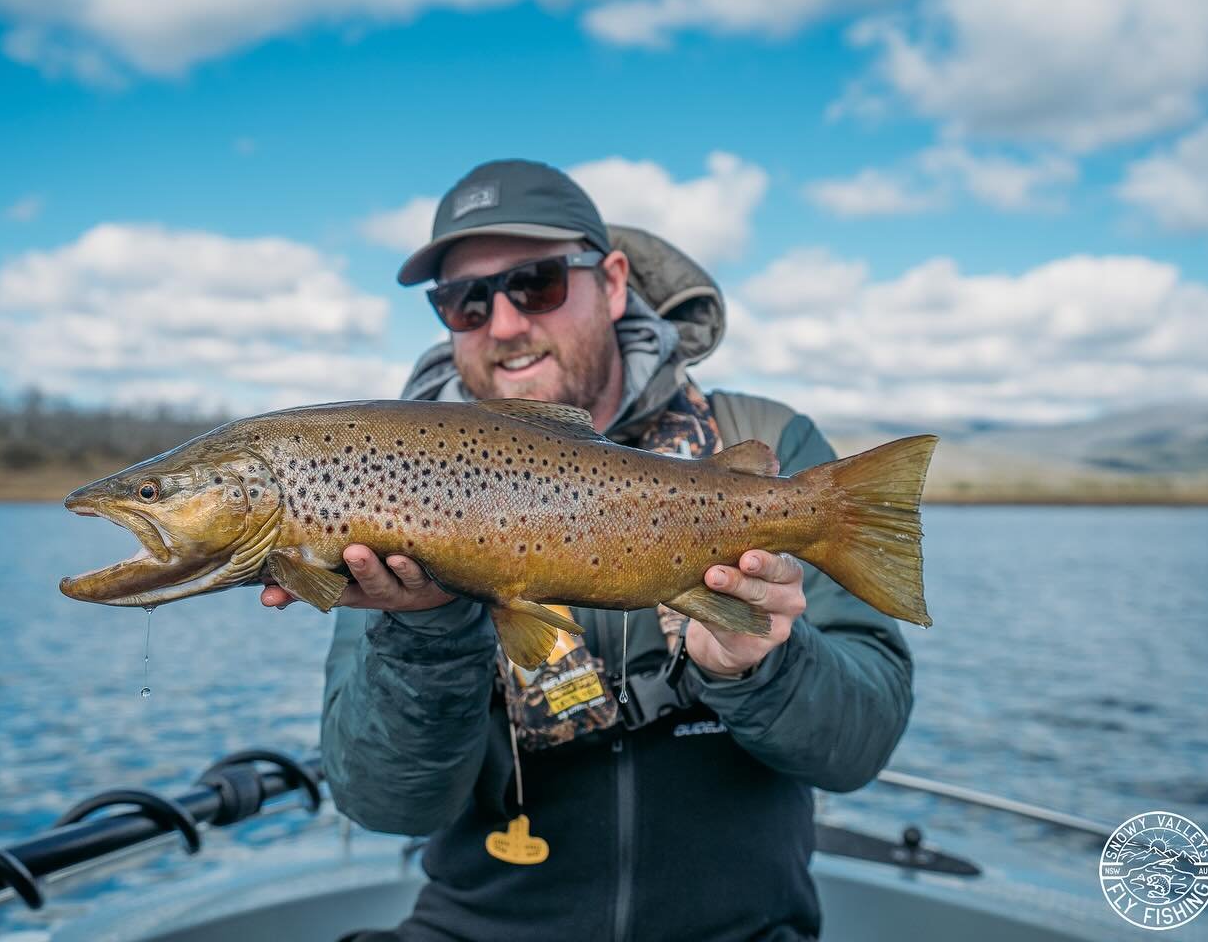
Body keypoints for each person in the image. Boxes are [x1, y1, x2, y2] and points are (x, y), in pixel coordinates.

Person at [261, 159, 914, 941]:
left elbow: (861, 749)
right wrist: (425, 632)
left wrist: (764, 664)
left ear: (610, 282)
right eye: (465, 302)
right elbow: (384, 806)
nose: (503, 325)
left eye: (535, 283)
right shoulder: (377, 484)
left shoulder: (766, 444)